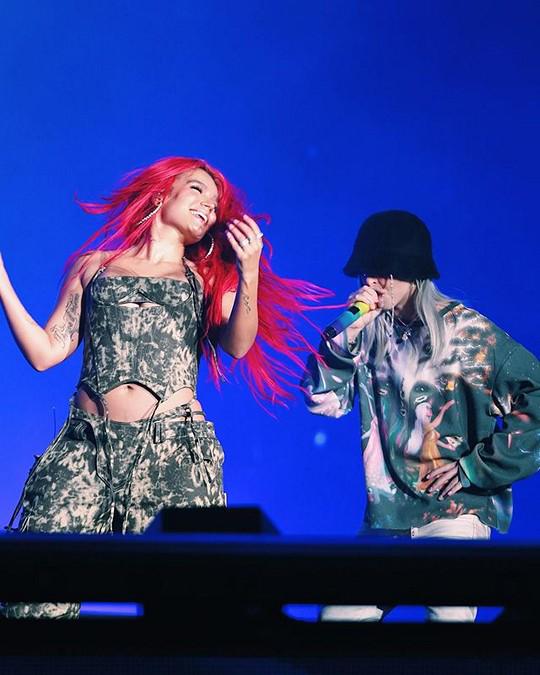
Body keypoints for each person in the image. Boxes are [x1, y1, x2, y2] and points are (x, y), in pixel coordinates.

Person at [0, 156, 326, 619]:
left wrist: (249, 272)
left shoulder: (205, 280)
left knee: (184, 602)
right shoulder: (95, 267)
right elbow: (45, 352)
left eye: (215, 204)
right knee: (33, 596)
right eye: (197, 190)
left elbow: (237, 344)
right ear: (161, 193)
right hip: (85, 445)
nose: (208, 206)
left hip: (171, 449)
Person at [302, 210, 540, 622]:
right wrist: (345, 338)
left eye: (384, 272)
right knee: (336, 622)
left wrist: (476, 468)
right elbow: (324, 401)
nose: (371, 282)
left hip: (455, 513)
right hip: (387, 516)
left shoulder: (468, 333)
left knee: (447, 627)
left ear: (413, 274)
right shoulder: (369, 334)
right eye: (365, 272)